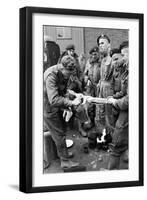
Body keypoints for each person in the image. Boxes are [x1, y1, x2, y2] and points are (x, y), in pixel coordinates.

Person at [43, 55, 82, 169]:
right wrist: (72, 103)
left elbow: (63, 90)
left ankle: (60, 155)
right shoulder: (51, 76)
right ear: (62, 67)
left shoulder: (63, 72)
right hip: (49, 108)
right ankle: (65, 162)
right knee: (59, 134)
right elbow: (54, 99)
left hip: (57, 106)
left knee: (61, 132)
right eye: (68, 74)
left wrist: (73, 94)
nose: (69, 77)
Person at [107, 41, 129, 170]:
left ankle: (111, 174)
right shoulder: (127, 70)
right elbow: (124, 91)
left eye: (124, 54)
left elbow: (130, 99)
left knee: (116, 142)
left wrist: (116, 102)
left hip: (127, 110)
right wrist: (114, 97)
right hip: (122, 105)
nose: (124, 57)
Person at [96, 34, 114, 129]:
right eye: (99, 44)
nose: (100, 45)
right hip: (101, 89)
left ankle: (111, 138)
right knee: (100, 112)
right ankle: (103, 135)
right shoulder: (102, 60)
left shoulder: (113, 60)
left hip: (109, 90)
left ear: (109, 45)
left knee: (109, 115)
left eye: (102, 43)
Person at [84, 46, 101, 129]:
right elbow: (85, 73)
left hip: (99, 87)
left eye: (95, 54)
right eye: (92, 54)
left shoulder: (102, 62)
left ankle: (99, 124)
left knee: (99, 105)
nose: (93, 56)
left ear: (98, 54)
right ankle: (92, 122)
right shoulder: (89, 62)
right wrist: (87, 80)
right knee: (90, 105)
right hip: (90, 87)